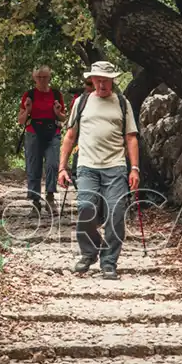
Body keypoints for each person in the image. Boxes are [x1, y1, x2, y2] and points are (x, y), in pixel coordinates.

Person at [58, 61, 140, 280]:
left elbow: (131, 137)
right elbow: (70, 136)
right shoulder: (82, 102)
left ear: (113, 80)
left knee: (116, 214)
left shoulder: (123, 103)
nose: (103, 84)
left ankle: (109, 262)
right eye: (99, 80)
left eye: (106, 80)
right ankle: (90, 251)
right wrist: (62, 168)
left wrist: (134, 168)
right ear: (92, 80)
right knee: (86, 208)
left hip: (116, 167)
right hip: (87, 167)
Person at [18, 65, 66, 211]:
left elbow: (63, 118)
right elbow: (21, 120)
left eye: (44, 77)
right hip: (33, 132)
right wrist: (28, 110)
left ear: (49, 77)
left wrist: (57, 112)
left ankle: (50, 196)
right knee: (34, 167)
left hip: (53, 132)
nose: (42, 80)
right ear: (34, 78)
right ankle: (35, 201)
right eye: (39, 77)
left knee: (52, 164)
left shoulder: (56, 94)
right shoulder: (29, 95)